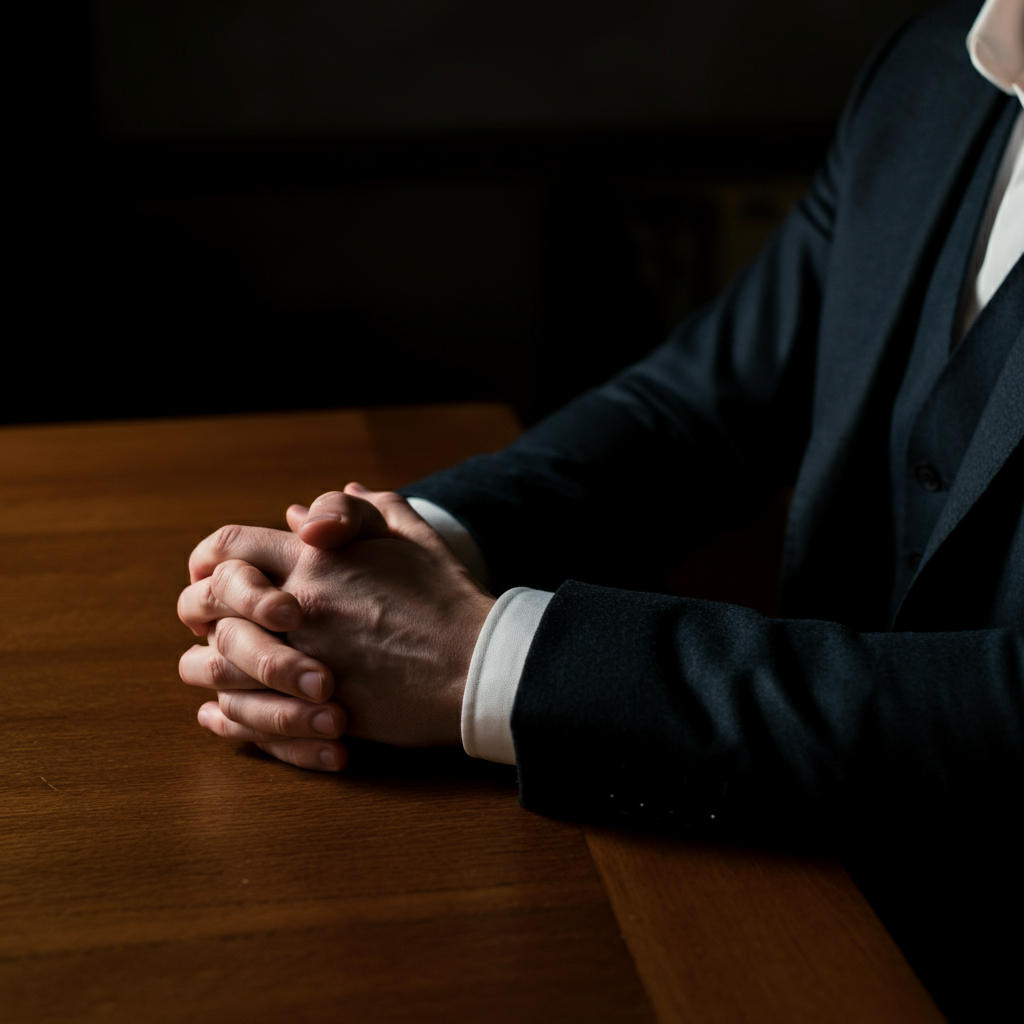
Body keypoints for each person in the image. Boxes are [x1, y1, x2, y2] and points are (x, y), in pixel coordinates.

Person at [177, 1, 1023, 1019]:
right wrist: (374, 558)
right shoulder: (931, 67)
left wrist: (490, 662)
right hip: (802, 900)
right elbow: (696, 409)